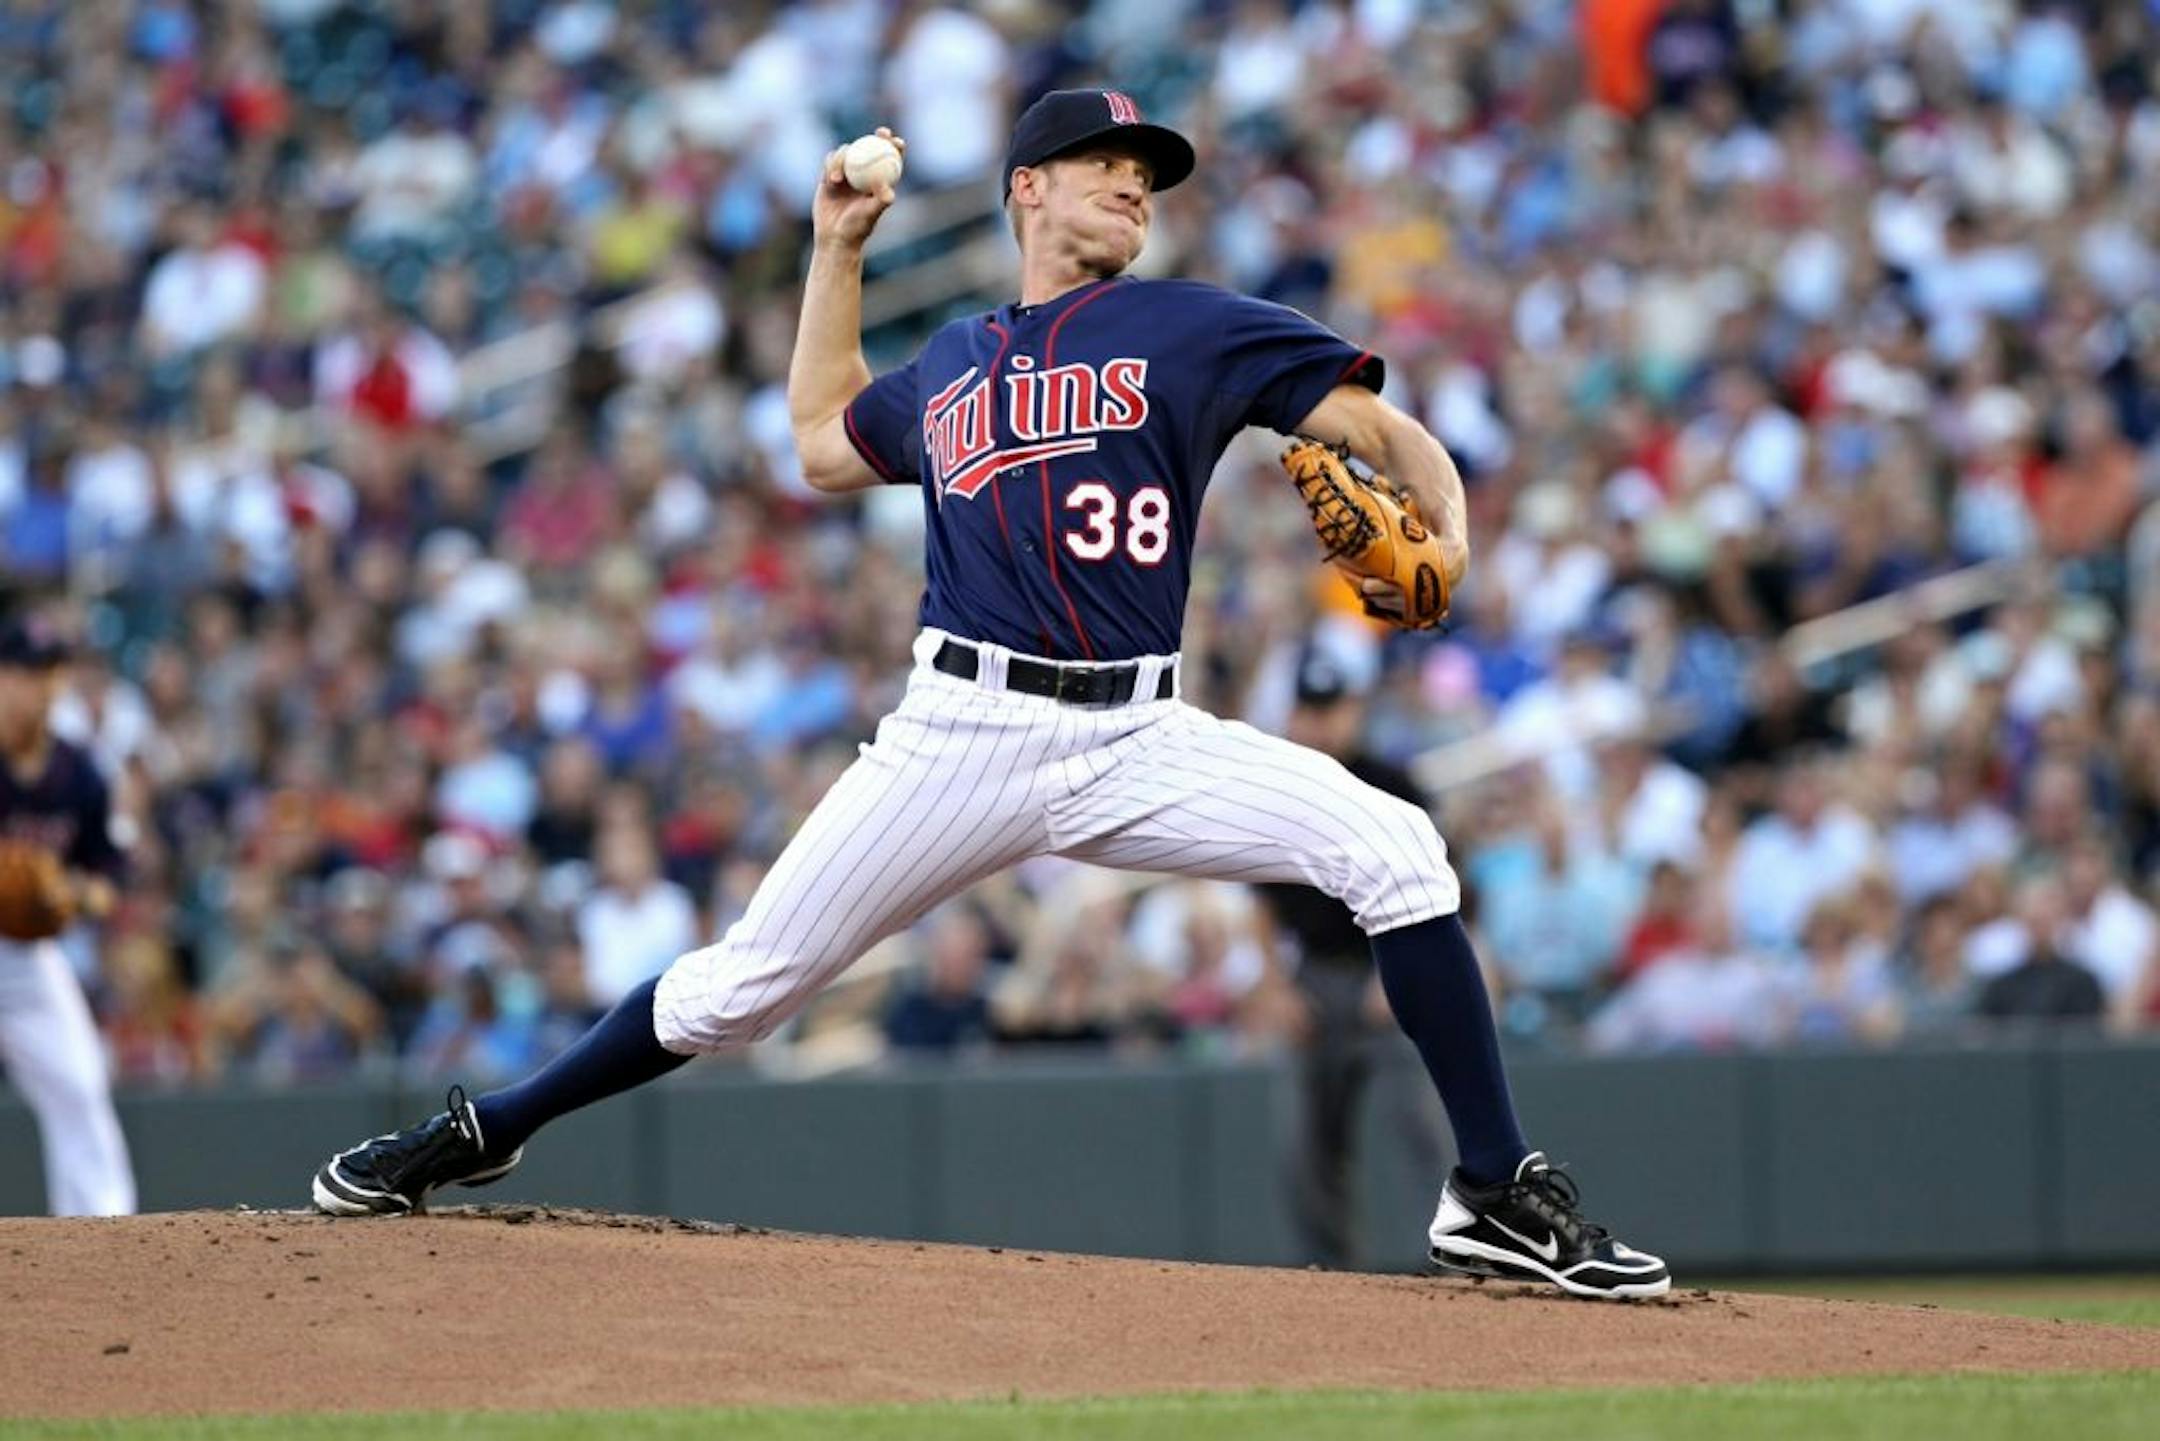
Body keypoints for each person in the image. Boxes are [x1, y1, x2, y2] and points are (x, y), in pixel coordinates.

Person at [308, 92, 1668, 1300]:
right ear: (1028, 189)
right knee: (737, 993)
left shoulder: (1192, 327)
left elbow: (1378, 429)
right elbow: (819, 442)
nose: (1136, 184)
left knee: (1396, 846)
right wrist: (837, 248)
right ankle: (486, 1130)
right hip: (962, 730)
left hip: (1138, 731)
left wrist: (1453, 523)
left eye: (1147, 170)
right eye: (1104, 163)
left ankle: (1492, 1195)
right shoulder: (952, 361)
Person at [1255, 648, 1446, 1270]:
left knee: (1424, 1124)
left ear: (1355, 711)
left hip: (1386, 970)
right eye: (1311, 710)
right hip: (1314, 976)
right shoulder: (1280, 791)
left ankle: (1458, 1255)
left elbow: (1448, 884)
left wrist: (1403, 973)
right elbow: (1261, 903)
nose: (1322, 723)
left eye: (1331, 708)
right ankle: (1329, 1269)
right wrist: (1275, 985)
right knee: (1304, 1137)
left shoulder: (1393, 783)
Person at [0, 617, 136, 1216]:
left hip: (26, 958)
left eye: (53, 671)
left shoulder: (79, 771)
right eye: (31, 671)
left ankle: (103, 1235)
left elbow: (109, 878)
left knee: (81, 1084)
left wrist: (70, 896)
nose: (45, 685)